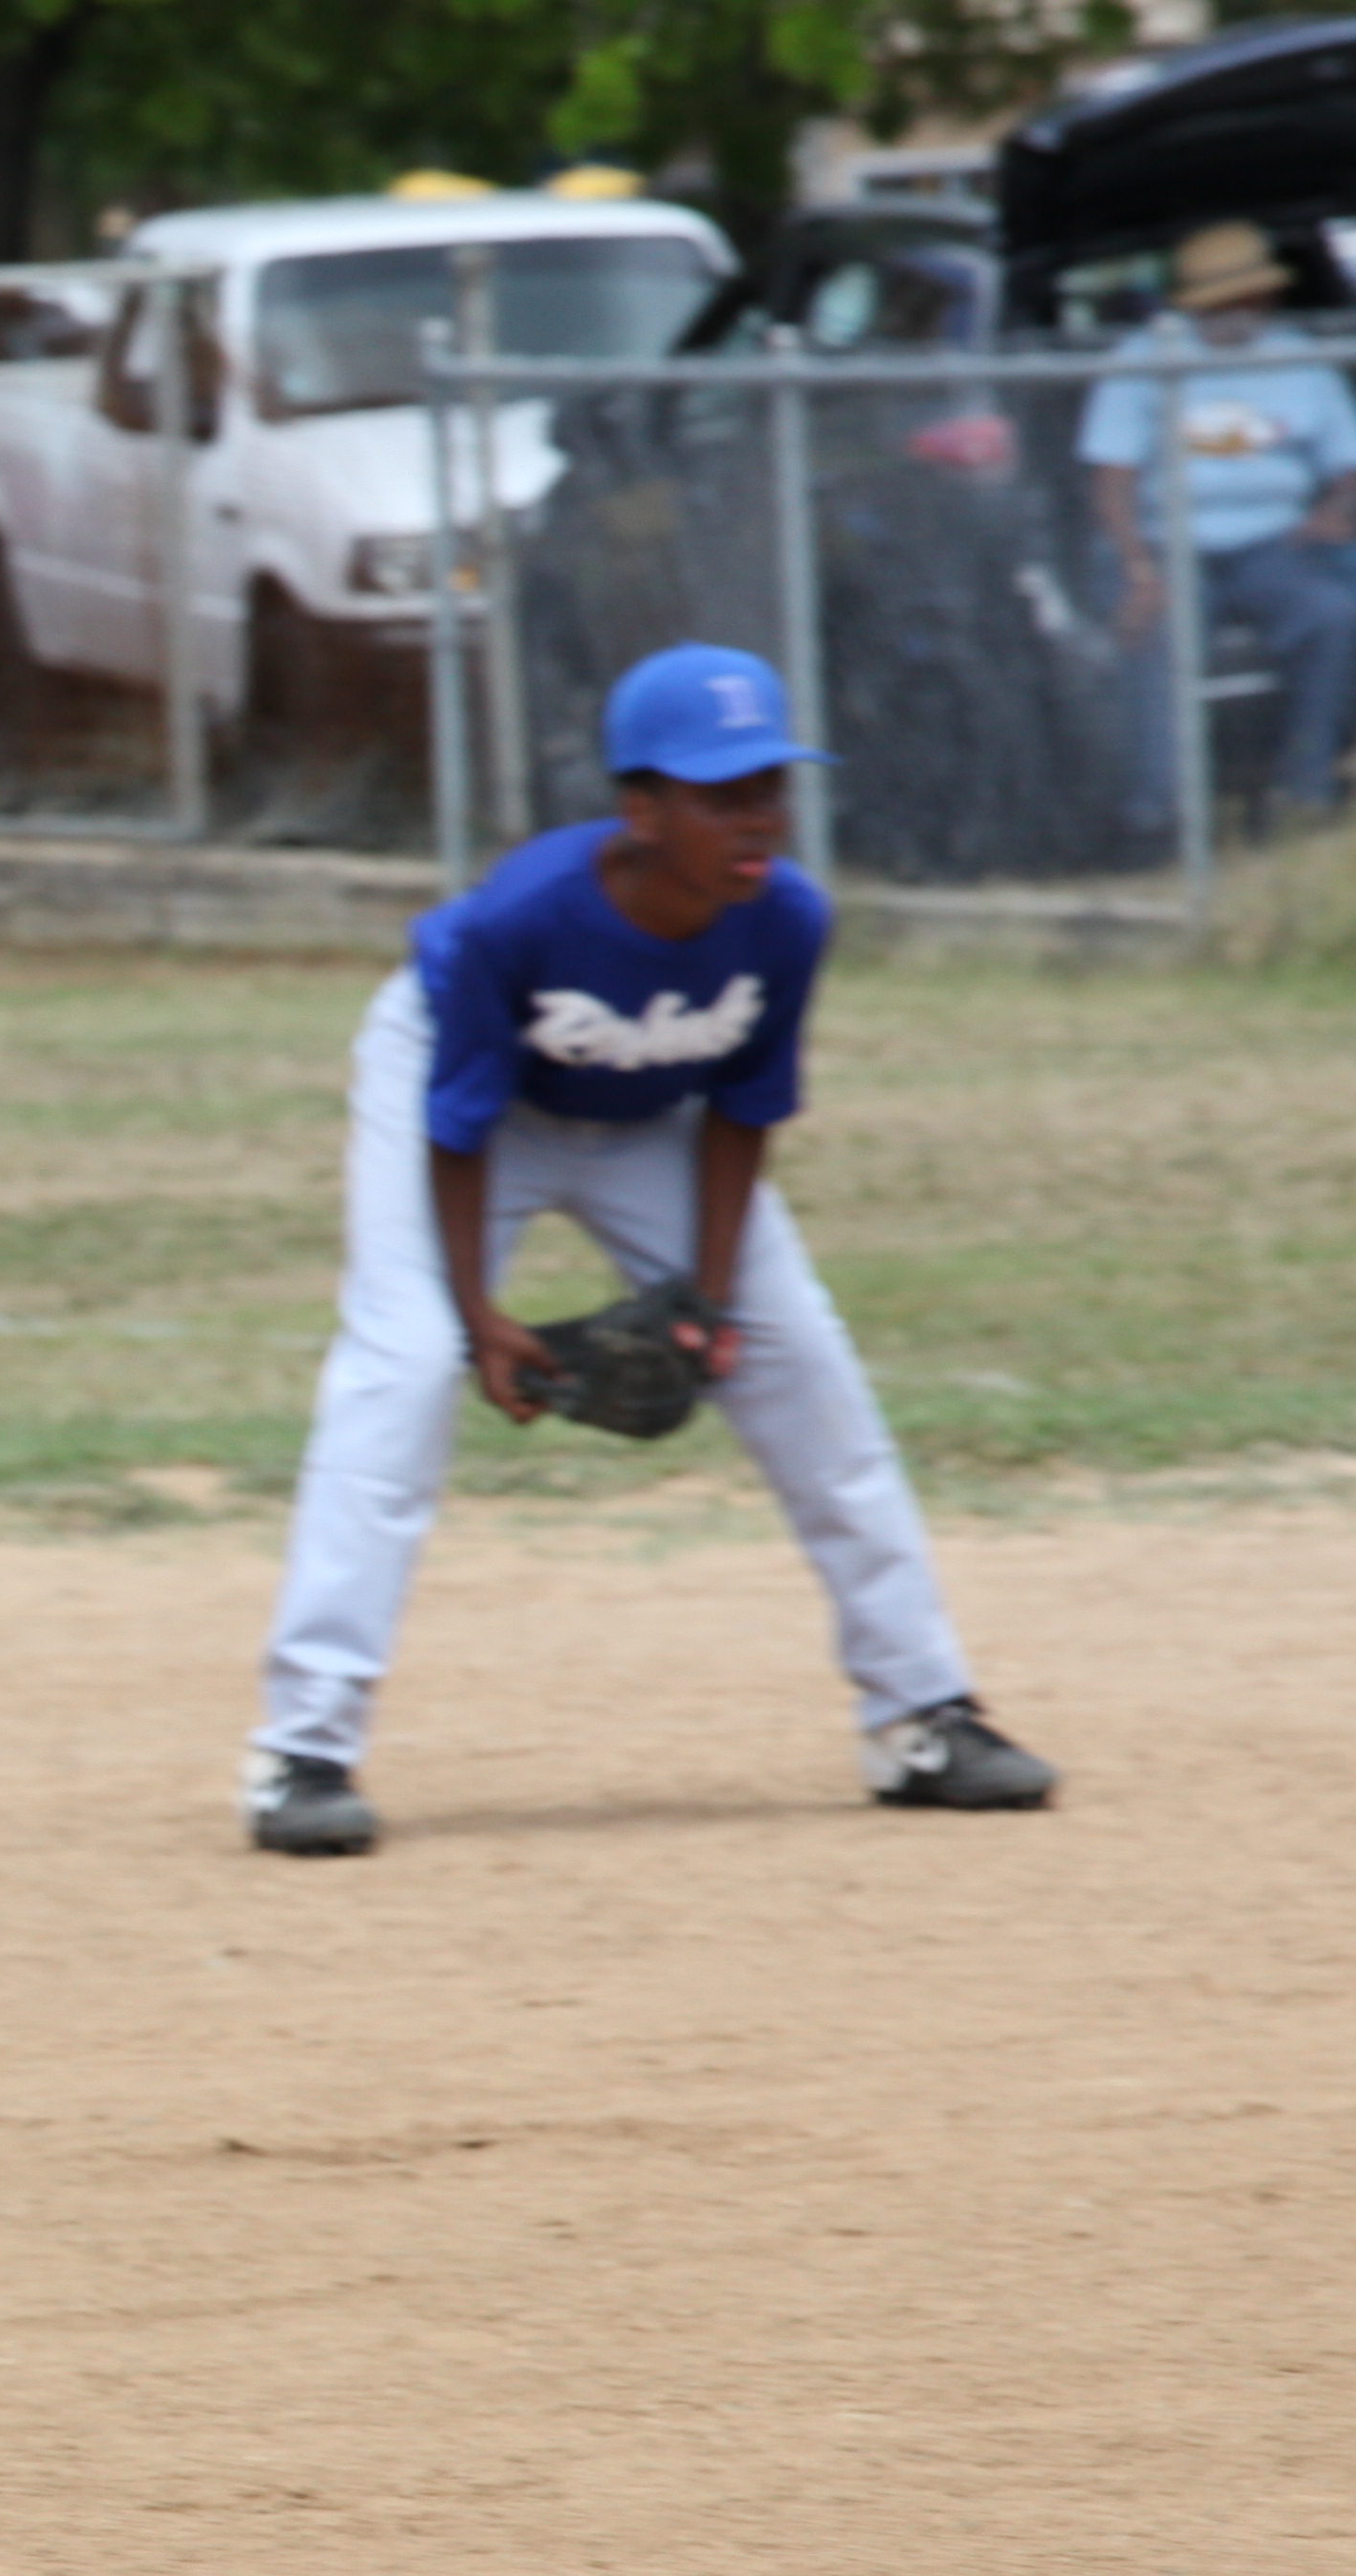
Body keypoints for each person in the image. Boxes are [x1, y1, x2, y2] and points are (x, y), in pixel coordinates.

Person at [239, 642, 1057, 1856]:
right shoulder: (521, 918)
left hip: (646, 1123)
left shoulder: (784, 920)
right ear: (641, 809)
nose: (758, 818)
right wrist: (479, 1321)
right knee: (401, 1366)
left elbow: (743, 1111)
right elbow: (457, 1126)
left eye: (771, 787)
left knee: (798, 1356)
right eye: (722, 795)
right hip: (472, 1109)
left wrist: (709, 1300)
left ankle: (921, 1718)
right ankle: (300, 1753)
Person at [1081, 219, 1356, 827]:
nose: (1242, 309)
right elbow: (1113, 480)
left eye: (1251, 297)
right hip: (1167, 543)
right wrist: (1136, 566)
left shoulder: (1302, 362)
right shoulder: (1143, 362)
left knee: (1334, 614)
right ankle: (1164, 813)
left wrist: (1337, 511)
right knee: (1157, 630)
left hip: (1275, 543)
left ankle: (1306, 791)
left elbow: (1349, 467)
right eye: (1226, 300)